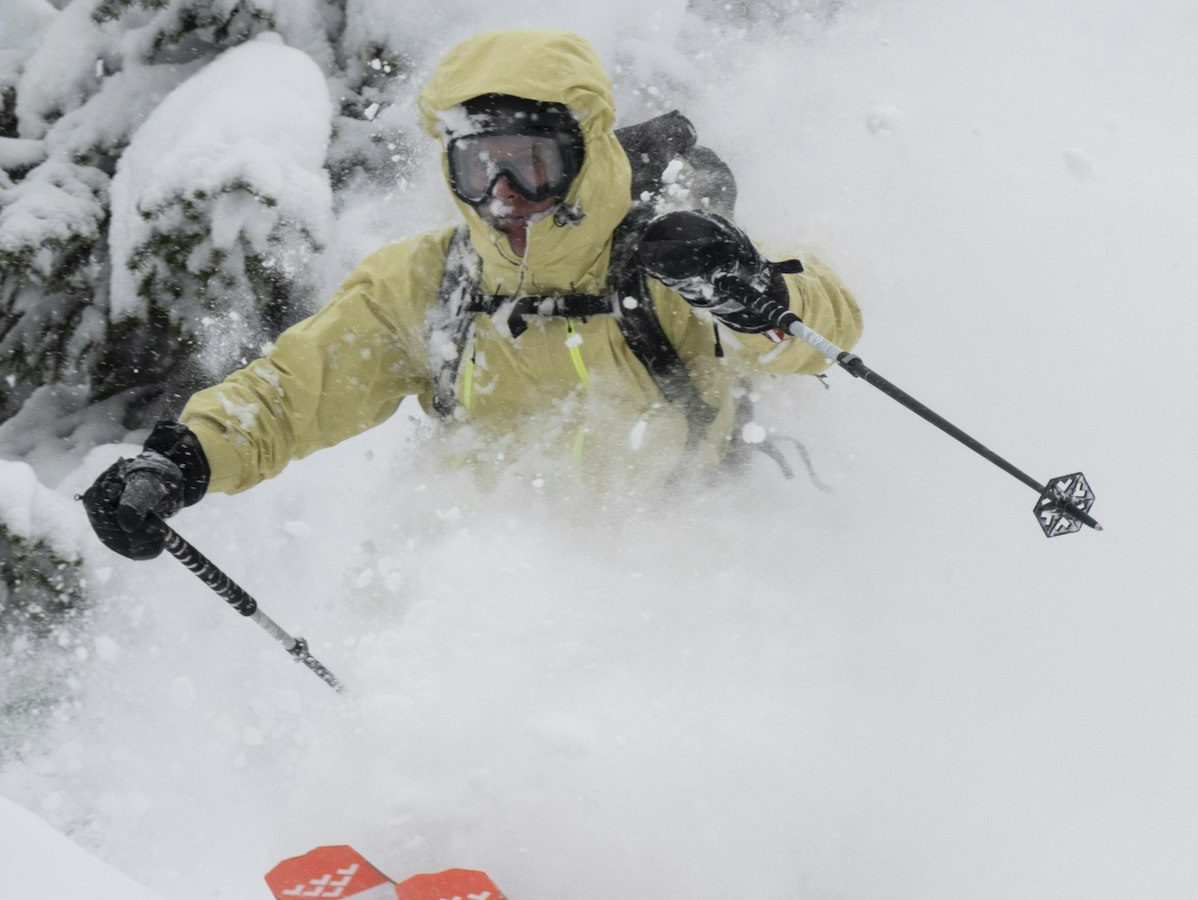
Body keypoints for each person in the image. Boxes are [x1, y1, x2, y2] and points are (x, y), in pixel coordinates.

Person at [84, 27, 863, 558]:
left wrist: (749, 294)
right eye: (476, 167)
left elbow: (820, 321)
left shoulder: (671, 255)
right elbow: (296, 390)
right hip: (493, 580)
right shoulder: (430, 282)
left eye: (530, 163)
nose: (503, 193)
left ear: (582, 156)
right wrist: (184, 460)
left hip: (682, 556)